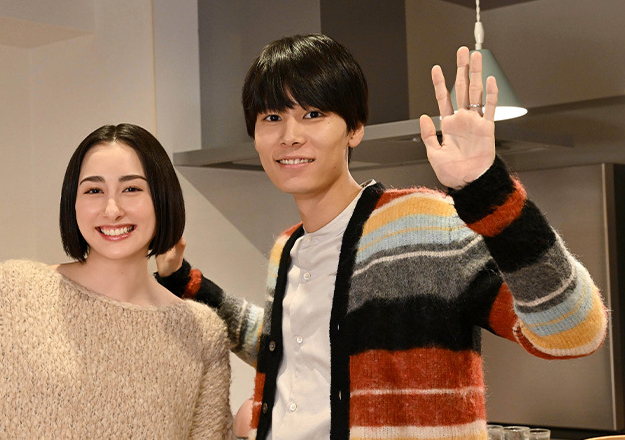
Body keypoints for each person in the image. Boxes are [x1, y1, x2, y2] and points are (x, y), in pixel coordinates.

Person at [156, 34, 608, 440]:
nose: (289, 136)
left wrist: (488, 187)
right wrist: (183, 280)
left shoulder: (423, 226)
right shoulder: (288, 248)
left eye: (313, 114)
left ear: (354, 129)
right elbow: (292, 348)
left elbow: (574, 332)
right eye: (272, 117)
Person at [0, 124, 233, 439]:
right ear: (73, 204)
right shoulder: (11, 294)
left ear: (162, 198)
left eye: (131, 188)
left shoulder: (200, 334)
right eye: (94, 190)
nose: (112, 209)